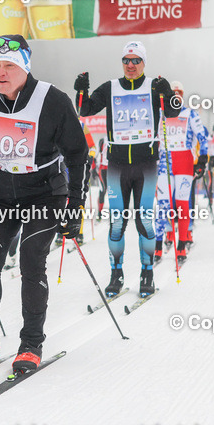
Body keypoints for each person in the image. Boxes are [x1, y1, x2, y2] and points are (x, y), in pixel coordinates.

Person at [0, 34, 88, 373]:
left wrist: (75, 204)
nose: (1, 72)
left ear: (24, 66)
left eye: (9, 65)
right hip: (0, 192)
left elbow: (77, 153)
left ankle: (31, 344)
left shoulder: (52, 100)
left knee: (30, 261)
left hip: (45, 192)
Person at [73, 41, 178, 298]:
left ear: (144, 62)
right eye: (126, 60)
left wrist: (169, 93)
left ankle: (147, 273)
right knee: (117, 223)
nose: (130, 65)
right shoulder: (111, 87)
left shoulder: (154, 87)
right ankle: (116, 274)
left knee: (145, 221)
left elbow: (173, 113)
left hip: (145, 165)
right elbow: (84, 109)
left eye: (136, 60)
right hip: (118, 165)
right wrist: (80, 90)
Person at [157, 80, 208, 264]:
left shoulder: (189, 113)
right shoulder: (162, 114)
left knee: (182, 203)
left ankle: (182, 245)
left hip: (185, 162)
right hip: (165, 162)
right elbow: (155, 139)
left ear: (183, 94)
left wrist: (202, 160)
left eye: (179, 92)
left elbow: (203, 137)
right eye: (173, 92)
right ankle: (158, 245)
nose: (176, 95)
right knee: (163, 204)